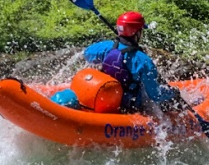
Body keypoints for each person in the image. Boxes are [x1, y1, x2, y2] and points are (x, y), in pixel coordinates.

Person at [52, 11, 180, 112]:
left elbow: (87, 54)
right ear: (138, 33)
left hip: (101, 96)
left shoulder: (106, 47)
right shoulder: (143, 60)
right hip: (126, 107)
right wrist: (173, 93)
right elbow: (155, 95)